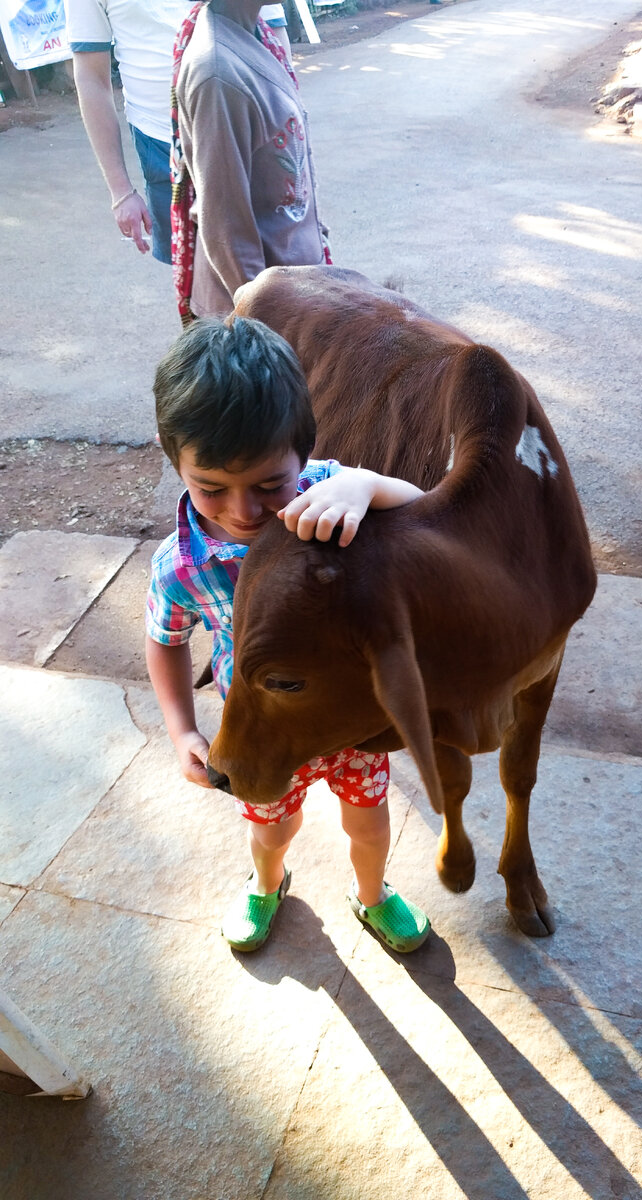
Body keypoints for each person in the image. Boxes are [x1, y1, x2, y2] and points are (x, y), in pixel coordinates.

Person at [145, 315, 431, 954]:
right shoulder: (181, 567)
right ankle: (266, 883)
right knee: (271, 828)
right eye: (211, 488)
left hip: (347, 722)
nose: (245, 511)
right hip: (259, 730)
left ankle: (373, 894)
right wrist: (182, 728)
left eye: (270, 484)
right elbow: (164, 640)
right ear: (174, 456)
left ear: (303, 450)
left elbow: (426, 514)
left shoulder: (334, 495)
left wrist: (366, 484)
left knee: (369, 821)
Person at [64, 0, 289, 262]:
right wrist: (120, 191)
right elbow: (91, 78)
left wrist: (287, 133)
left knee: (283, 266)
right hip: (162, 143)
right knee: (198, 281)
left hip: (255, 132)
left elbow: (275, 34)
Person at [171, 0, 329, 321]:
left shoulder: (256, 35)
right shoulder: (218, 74)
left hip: (294, 294)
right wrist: (270, 331)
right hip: (264, 314)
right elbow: (227, 232)